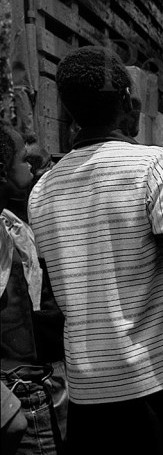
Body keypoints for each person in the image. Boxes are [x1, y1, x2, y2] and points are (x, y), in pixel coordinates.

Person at [26, 46, 163, 455]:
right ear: (130, 102)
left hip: (89, 391)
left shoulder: (42, 191)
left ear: (71, 110)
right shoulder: (153, 164)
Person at [1, 121, 68, 455]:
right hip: (21, 380)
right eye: (23, 161)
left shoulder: (16, 222)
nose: (32, 168)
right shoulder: (7, 230)